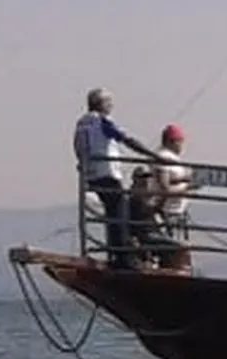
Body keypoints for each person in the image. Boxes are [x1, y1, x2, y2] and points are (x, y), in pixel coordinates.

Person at [72, 88, 160, 269]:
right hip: (106, 173)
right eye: (109, 102)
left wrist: (83, 164)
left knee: (112, 213)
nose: (111, 105)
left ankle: (115, 253)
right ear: (101, 103)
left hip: (91, 174)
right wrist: (152, 155)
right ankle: (124, 258)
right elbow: (126, 139)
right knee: (119, 213)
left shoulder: (81, 123)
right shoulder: (102, 121)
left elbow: (77, 146)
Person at [151, 124, 193, 239]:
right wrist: (186, 188)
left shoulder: (172, 158)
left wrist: (184, 180)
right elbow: (164, 187)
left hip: (176, 211)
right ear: (171, 141)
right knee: (174, 245)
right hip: (168, 212)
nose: (182, 146)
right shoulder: (163, 157)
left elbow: (170, 179)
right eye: (180, 142)